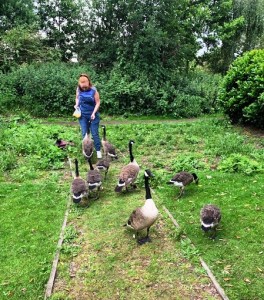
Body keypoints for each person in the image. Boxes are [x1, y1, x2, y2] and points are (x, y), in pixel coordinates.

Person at [74, 73, 102, 158]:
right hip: (82, 115)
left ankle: (98, 151)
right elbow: (77, 98)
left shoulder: (94, 90)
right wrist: (76, 105)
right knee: (84, 133)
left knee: (94, 133)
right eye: (82, 86)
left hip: (93, 115)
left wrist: (93, 113)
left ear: (88, 83)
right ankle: (86, 151)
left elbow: (98, 102)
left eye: (85, 86)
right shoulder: (78, 89)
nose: (84, 88)